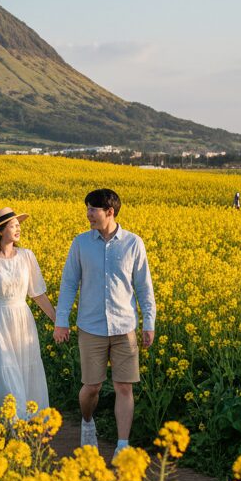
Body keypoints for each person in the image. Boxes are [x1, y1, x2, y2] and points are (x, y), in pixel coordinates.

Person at [52, 188, 156, 462]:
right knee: (92, 387)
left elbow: (144, 287)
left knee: (124, 387)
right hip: (91, 327)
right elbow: (69, 283)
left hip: (124, 327)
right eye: (87, 208)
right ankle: (87, 422)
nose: (88, 214)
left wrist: (149, 322)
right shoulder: (81, 243)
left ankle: (122, 444)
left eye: (92, 209)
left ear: (110, 212)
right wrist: (61, 321)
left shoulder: (133, 243)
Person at [0, 207, 56, 421]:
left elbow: (37, 293)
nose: (18, 229)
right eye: (13, 226)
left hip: (22, 321)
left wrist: (56, 319)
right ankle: (15, 422)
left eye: (18, 225)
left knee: (23, 371)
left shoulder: (27, 256)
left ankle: (22, 422)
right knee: (5, 373)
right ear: (0, 231)